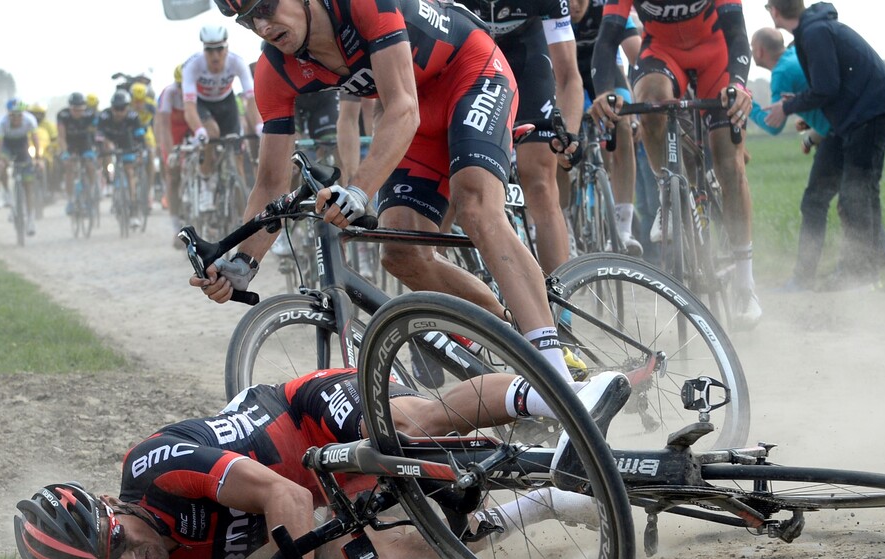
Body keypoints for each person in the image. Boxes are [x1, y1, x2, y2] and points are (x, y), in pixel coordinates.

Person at [198, 0, 585, 386]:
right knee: (401, 253)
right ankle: (513, 337)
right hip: (418, 111)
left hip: (470, 73)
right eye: (247, 20)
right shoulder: (275, 69)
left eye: (266, 6)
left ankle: (557, 377)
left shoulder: (361, 4)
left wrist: (357, 190)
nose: (262, 26)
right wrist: (242, 264)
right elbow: (269, 182)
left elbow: (402, 109)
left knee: (476, 206)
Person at [13, 368, 620, 559]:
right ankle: (542, 503)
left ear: (105, 506)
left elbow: (286, 497)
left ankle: (561, 397)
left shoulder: (156, 469)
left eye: (116, 544)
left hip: (309, 418)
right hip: (329, 489)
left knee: (405, 426)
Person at [590, 0, 762, 329]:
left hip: (717, 54)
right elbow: (608, 36)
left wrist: (738, 86)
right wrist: (603, 93)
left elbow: (737, 33)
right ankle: (668, 191)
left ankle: (745, 284)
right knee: (651, 103)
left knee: (729, 163)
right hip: (663, 55)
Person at [764, 1, 885, 292]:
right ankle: (816, 277)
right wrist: (803, 103)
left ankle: (865, 275)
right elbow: (830, 86)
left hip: (870, 114)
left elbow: (827, 87)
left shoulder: (815, 32)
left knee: (858, 195)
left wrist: (788, 106)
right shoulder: (811, 31)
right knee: (829, 197)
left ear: (775, 11)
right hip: (852, 118)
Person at [454, 0, 583, 275]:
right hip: (469, 67)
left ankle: (561, 310)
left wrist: (568, 134)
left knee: (539, 183)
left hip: (527, 62)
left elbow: (569, 75)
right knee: (451, 187)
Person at [748, 27, 833, 291]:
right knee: (859, 200)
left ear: (760, 51)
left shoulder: (782, 72)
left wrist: (747, 104)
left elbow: (773, 125)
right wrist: (810, 131)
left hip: (836, 136)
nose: (751, 54)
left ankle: (803, 279)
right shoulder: (794, 56)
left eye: (751, 49)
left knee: (814, 204)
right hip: (833, 132)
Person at [569, 0, 642, 257]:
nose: (573, 5)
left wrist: (637, 114)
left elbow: (637, 55)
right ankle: (566, 226)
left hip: (605, 74)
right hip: (566, 75)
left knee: (621, 122)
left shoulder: (605, 6)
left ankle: (623, 227)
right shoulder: (552, 8)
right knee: (555, 135)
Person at [181, 25, 261, 212]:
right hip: (203, 104)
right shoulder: (192, 65)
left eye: (219, 49)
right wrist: (199, 130)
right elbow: (189, 107)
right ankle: (207, 185)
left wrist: (258, 126)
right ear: (203, 50)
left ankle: (242, 211)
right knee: (211, 133)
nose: (215, 55)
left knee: (237, 156)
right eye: (209, 50)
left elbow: (250, 100)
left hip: (227, 103)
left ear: (226, 48)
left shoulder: (237, 62)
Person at [157, 64, 193, 246]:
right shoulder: (169, 93)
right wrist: (171, 153)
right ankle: (175, 226)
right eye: (180, 86)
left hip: (191, 125)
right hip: (173, 131)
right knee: (173, 176)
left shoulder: (197, 89)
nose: (183, 90)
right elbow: (163, 126)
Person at [0, 99, 41, 234]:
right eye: (13, 115)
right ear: (8, 114)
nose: (16, 118)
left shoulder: (30, 120)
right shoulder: (1, 123)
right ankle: (3, 195)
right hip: (7, 146)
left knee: (28, 184)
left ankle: (31, 220)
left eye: (19, 115)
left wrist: (38, 158)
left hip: (22, 146)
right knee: (0, 166)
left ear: (23, 114)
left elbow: (35, 139)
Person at [57, 92, 100, 216]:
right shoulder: (62, 115)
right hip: (69, 143)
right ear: (70, 108)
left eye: (80, 110)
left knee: (90, 166)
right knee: (69, 168)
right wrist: (65, 153)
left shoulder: (91, 115)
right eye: (74, 110)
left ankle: (91, 193)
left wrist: (97, 148)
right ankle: (70, 199)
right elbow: (61, 136)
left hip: (85, 143)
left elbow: (98, 133)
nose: (77, 113)